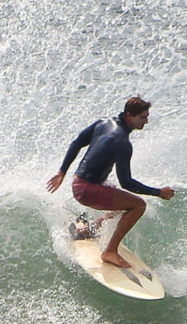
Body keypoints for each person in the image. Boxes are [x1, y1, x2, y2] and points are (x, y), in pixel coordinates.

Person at [46, 96, 174, 269]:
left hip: (79, 183)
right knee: (138, 206)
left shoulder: (103, 123)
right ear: (129, 115)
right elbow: (126, 182)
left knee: (123, 202)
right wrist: (159, 192)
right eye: (142, 117)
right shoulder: (122, 143)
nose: (146, 121)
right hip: (88, 190)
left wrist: (62, 172)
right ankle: (110, 251)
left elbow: (76, 143)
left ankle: (89, 229)